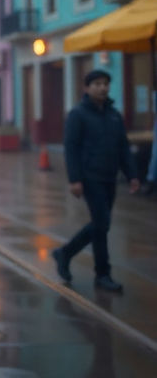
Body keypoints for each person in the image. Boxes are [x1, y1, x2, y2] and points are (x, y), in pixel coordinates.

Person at [52, 70, 139, 292]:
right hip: (90, 177)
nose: (102, 88)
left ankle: (66, 252)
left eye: (105, 84)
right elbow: (71, 148)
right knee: (101, 224)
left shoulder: (113, 115)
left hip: (110, 176)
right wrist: (75, 179)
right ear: (87, 88)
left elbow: (123, 147)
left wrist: (132, 175)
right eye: (97, 84)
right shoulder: (78, 114)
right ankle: (102, 274)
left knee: (102, 225)